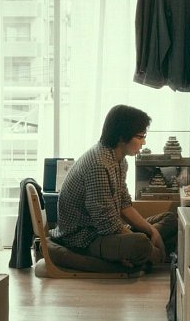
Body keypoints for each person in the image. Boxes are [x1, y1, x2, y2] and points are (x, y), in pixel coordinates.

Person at [50, 104, 177, 271]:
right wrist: (145, 242)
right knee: (141, 244)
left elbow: (125, 205)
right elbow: (107, 224)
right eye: (140, 137)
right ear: (122, 137)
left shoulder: (120, 161)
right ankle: (141, 255)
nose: (144, 142)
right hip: (84, 238)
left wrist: (153, 232)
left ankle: (136, 256)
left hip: (106, 230)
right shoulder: (99, 164)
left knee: (172, 219)